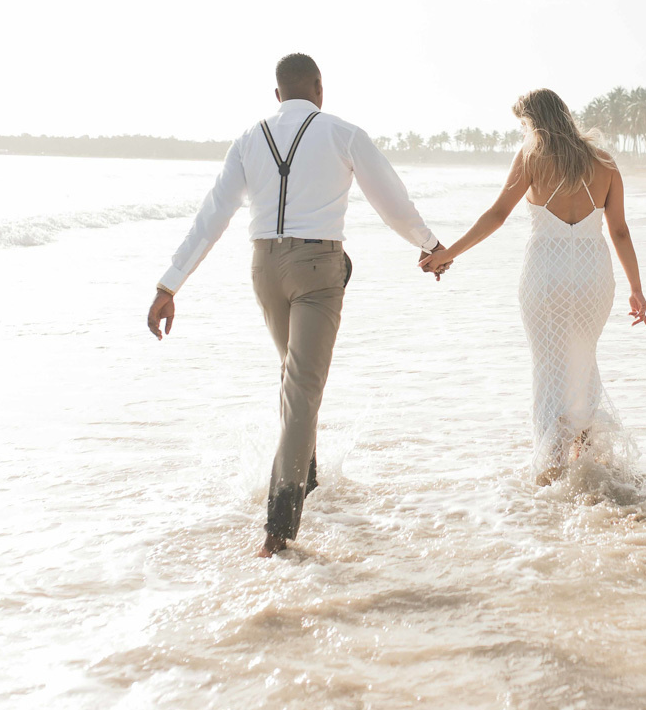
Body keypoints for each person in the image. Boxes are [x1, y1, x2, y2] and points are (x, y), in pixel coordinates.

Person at [145, 53, 449, 557]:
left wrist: (169, 284)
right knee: (303, 390)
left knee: (293, 378)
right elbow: (390, 199)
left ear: (278, 95)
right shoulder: (342, 133)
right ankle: (278, 529)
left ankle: (305, 480)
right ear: (319, 87)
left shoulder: (248, 139)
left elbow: (213, 215)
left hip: (264, 270)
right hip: (316, 271)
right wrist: (429, 244)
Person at [419, 88, 646, 484]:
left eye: (523, 125)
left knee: (549, 367)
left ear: (534, 123)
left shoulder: (532, 158)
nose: (523, 133)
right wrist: (636, 289)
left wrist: (448, 253)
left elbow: (497, 215)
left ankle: (552, 469)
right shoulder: (604, 162)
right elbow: (620, 231)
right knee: (582, 359)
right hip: (594, 276)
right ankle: (587, 458)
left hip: (547, 274)